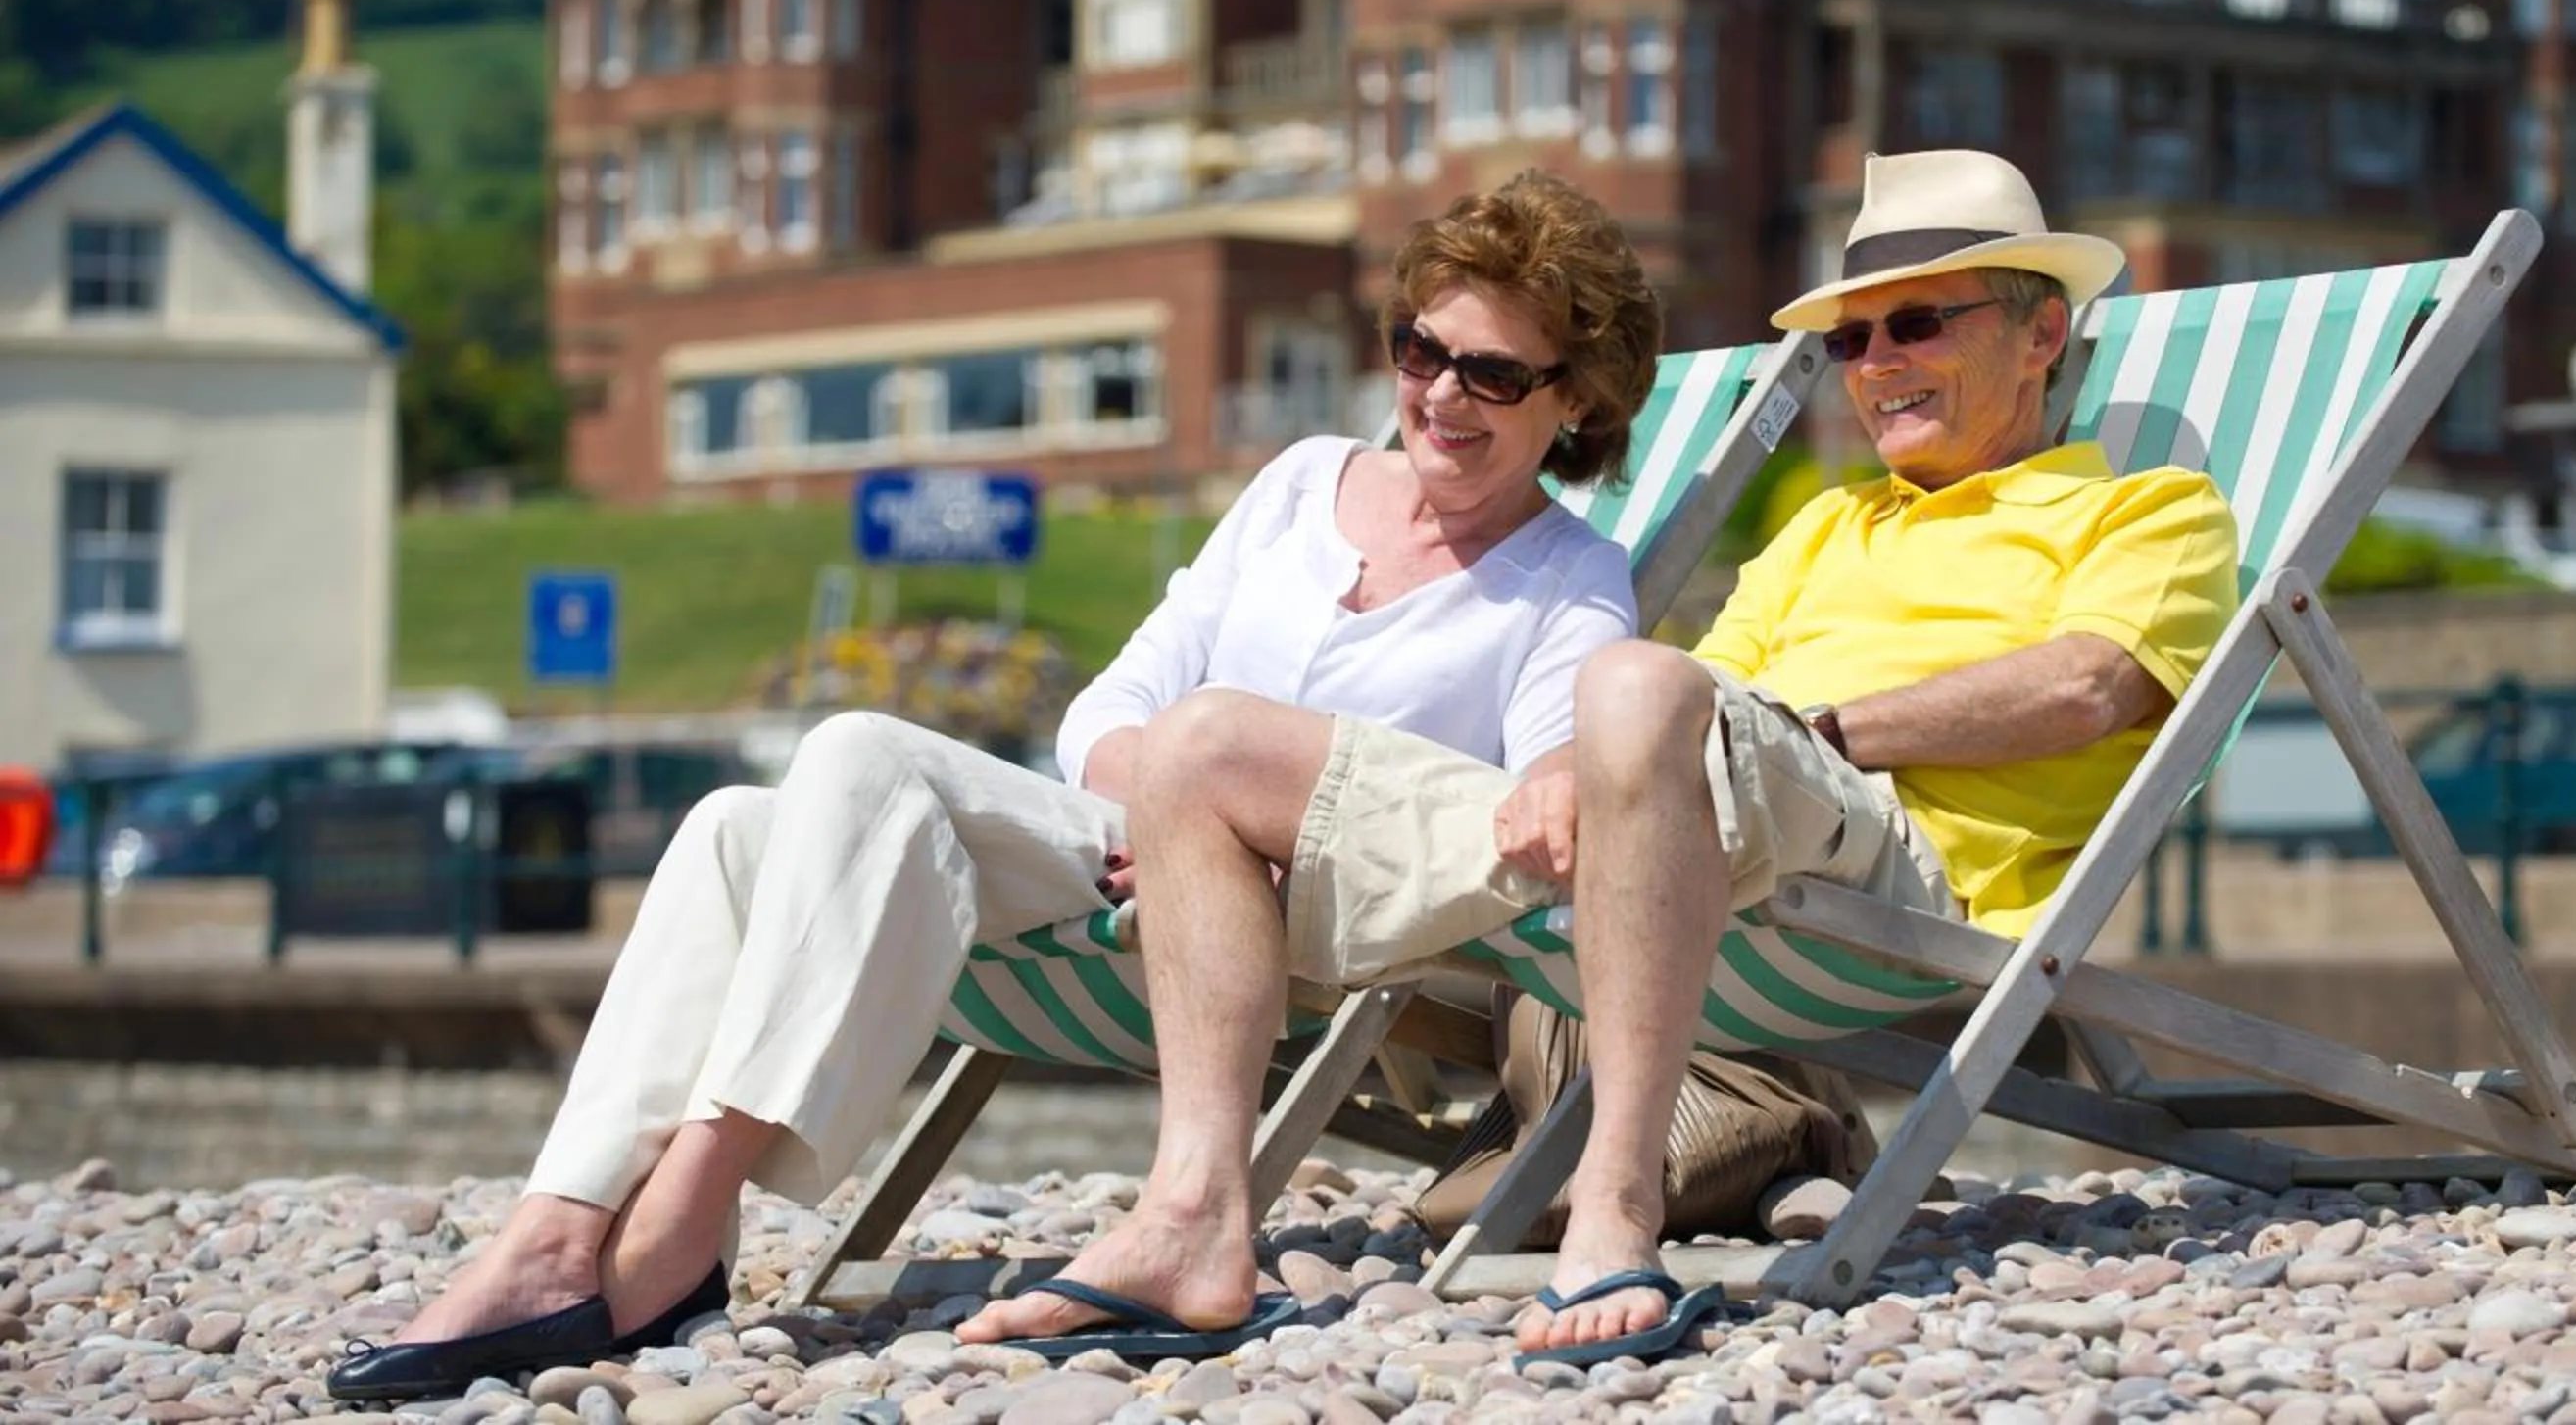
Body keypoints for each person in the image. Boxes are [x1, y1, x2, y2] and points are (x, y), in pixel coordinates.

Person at [327, 168, 1667, 1401]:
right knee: (736, 826)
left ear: (1577, 401)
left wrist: (1256, 820)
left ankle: (682, 1213)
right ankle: (558, 1224)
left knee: (863, 753)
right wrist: (1181, 811)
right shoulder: (1302, 482)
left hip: (1316, 912)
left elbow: (1536, 789)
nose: (1439, 395)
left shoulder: (1569, 583)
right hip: (1135, 849)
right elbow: (1109, 712)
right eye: (1420, 351)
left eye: (1492, 374)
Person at [958, 149, 2238, 1367]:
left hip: (1898, 869)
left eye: (1918, 324)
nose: (1878, 364)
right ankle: (1192, 1220)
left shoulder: (2148, 509)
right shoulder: (1823, 526)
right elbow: (1692, 715)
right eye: (1854, 339)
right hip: (1698, 828)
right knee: (1203, 744)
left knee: (1629, 682)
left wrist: (1814, 734)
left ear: (2042, 332)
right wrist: (1572, 772)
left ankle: (1617, 1210)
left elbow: (2090, 684)